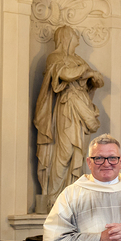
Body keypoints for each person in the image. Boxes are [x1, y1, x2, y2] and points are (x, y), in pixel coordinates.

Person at [33, 25, 105, 211]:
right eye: (75, 37)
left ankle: (74, 196)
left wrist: (92, 76)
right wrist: (86, 72)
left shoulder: (78, 60)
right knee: (64, 153)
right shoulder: (55, 57)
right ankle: (54, 196)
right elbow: (65, 74)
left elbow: (98, 81)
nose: (78, 41)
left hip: (81, 109)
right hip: (66, 109)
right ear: (66, 38)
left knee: (78, 154)